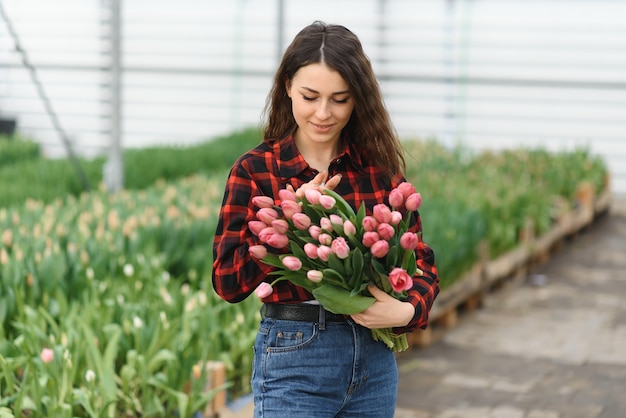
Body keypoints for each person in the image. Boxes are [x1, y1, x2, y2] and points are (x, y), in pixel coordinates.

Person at [212, 21, 439, 418]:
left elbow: (421, 262)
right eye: (310, 96)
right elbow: (227, 282)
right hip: (295, 356)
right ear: (286, 86)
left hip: (375, 359)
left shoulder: (377, 171)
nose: (323, 113)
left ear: (358, 100)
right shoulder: (256, 171)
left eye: (340, 99)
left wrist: (408, 311)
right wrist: (285, 223)